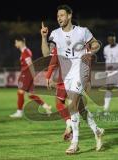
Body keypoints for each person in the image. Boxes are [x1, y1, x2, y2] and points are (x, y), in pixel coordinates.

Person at [40, 5, 104, 154]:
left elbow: (96, 44)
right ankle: (97, 131)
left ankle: (74, 143)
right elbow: (46, 54)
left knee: (72, 104)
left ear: (69, 15)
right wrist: (43, 37)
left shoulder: (83, 31)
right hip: (67, 74)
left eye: (62, 15)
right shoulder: (55, 34)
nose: (59, 18)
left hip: (81, 70)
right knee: (79, 107)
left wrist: (90, 50)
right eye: (57, 16)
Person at [10, 36, 52, 118]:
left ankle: (19, 112)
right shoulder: (25, 51)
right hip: (28, 75)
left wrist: (30, 76)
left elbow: (30, 64)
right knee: (30, 95)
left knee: (20, 92)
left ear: (20, 42)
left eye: (16, 42)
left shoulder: (25, 52)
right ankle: (46, 106)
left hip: (26, 75)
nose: (15, 44)